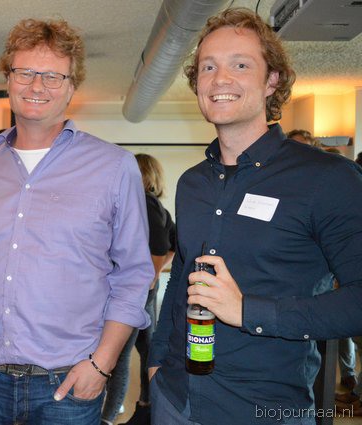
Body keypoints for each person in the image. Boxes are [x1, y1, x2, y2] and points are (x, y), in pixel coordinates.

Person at [148, 8, 362, 425]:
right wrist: (157, 361)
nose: (220, 79)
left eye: (240, 65)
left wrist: (248, 310)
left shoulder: (328, 179)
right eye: (208, 66)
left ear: (272, 81)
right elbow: (181, 280)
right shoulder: (192, 183)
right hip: (174, 398)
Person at [0, 18, 153, 425]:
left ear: (72, 88)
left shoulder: (115, 167)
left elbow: (133, 275)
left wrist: (102, 365)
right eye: (25, 72)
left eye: (53, 76)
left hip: (68, 385)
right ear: (8, 79)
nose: (37, 86)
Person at [102, 154, 175, 425]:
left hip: (135, 292)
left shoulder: (144, 202)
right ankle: (147, 405)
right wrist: (151, 277)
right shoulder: (156, 206)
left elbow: (160, 247)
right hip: (142, 291)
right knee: (148, 349)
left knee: (118, 354)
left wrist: (149, 277)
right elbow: (173, 244)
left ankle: (107, 417)